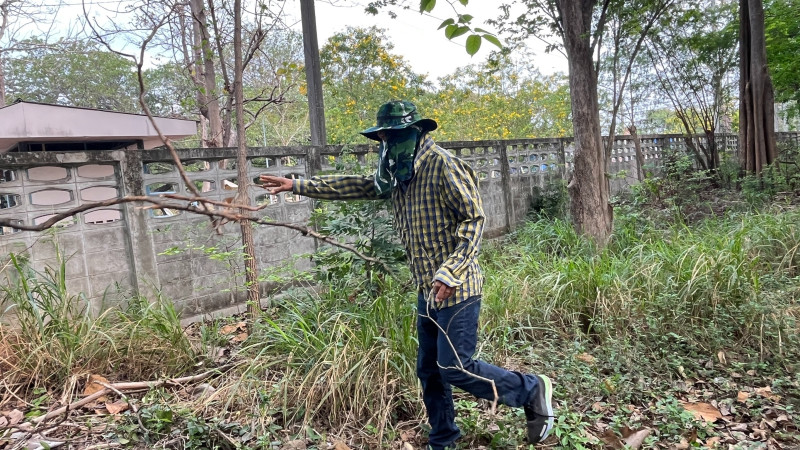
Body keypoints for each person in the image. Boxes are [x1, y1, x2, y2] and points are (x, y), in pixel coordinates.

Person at [260, 100, 554, 449]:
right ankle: (443, 439)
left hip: (457, 287)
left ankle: (531, 390)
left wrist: (451, 272)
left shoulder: (443, 165)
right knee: (429, 371)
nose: (387, 142)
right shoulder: (397, 174)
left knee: (455, 367)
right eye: (383, 137)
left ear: (415, 132)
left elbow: (474, 219)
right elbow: (358, 186)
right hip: (426, 289)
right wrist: (297, 185)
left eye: (393, 135)